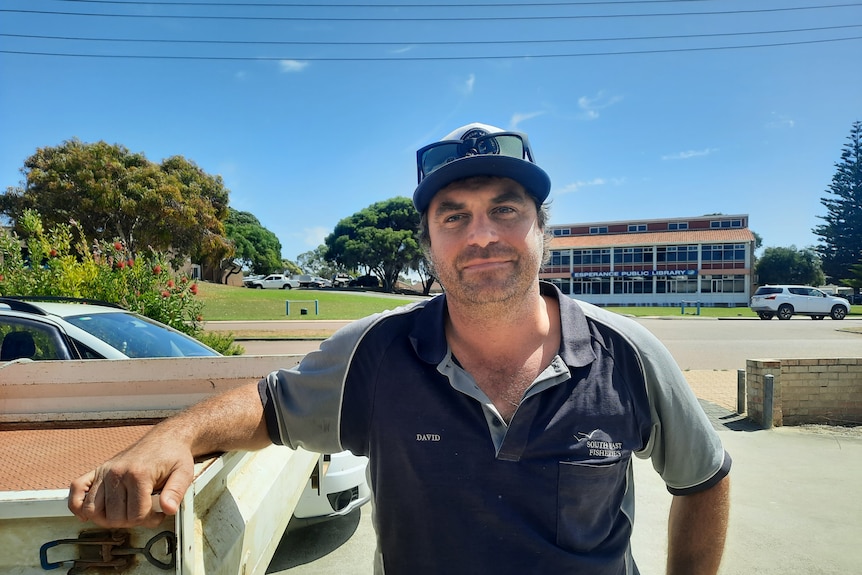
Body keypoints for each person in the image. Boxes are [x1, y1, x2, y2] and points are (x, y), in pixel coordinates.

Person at [69, 122, 731, 574]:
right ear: (427, 243)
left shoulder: (627, 355)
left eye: (506, 209)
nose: (482, 235)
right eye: (454, 215)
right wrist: (171, 437)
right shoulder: (376, 354)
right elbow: (268, 405)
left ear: (541, 230)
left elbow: (704, 476)